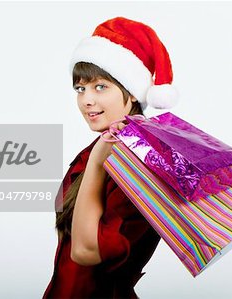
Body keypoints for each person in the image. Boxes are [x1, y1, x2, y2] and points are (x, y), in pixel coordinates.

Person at [43, 16, 179, 298]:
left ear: (131, 95)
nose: (86, 100)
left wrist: (97, 163)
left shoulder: (140, 165)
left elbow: (85, 251)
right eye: (80, 88)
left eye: (100, 87)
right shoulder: (101, 147)